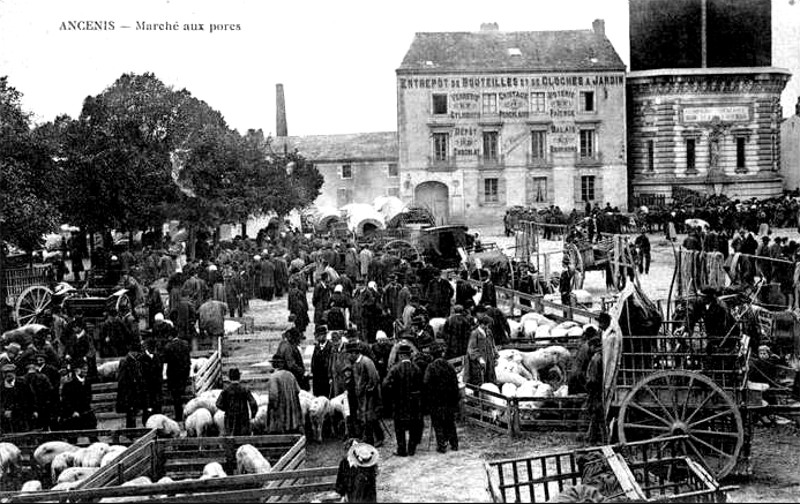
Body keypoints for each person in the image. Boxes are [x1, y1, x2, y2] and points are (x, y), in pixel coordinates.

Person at [382, 343, 423, 457]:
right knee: (413, 426)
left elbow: (385, 385)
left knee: (399, 428)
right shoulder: (416, 368)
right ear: (409, 356)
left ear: (400, 356)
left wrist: (392, 395)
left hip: (399, 403)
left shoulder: (395, 369)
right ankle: (411, 449)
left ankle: (402, 450)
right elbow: (421, 386)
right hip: (414, 404)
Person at [424, 342, 460, 453]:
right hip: (449, 400)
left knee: (438, 423)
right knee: (450, 422)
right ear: (441, 354)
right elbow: (455, 383)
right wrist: (455, 398)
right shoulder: (449, 366)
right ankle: (454, 444)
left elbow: (426, 383)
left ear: (432, 355)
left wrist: (428, 399)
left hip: (436, 401)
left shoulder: (431, 367)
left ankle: (442, 445)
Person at [347, 341, 384, 447]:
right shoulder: (355, 364)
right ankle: (372, 438)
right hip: (362, 395)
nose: (348, 356)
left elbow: (375, 378)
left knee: (370, 417)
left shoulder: (367, 362)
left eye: (349, 354)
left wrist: (369, 389)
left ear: (355, 353)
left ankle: (376, 438)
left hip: (370, 395)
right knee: (367, 417)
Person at [265, 355, 304, 434]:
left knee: (279, 428)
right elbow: (298, 390)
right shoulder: (290, 375)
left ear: (274, 365)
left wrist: (273, 408)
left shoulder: (274, 377)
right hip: (291, 408)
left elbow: (274, 395)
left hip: (280, 408)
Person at [216, 367, 258, 436]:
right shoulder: (244, 389)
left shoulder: (226, 390)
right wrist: (253, 415)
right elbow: (253, 403)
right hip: (243, 420)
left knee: (231, 441)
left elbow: (218, 404)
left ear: (229, 378)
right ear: (239, 377)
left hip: (230, 421)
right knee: (243, 440)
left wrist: (227, 409)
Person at [59, 358, 97, 432]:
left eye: (86, 369)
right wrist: (72, 411)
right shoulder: (69, 384)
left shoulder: (87, 382)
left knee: (92, 431)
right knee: (73, 434)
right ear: (77, 370)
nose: (85, 371)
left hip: (85, 412)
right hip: (72, 414)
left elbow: (88, 397)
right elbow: (66, 400)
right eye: (83, 369)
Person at [163, 330, 191, 422]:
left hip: (173, 375)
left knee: (176, 397)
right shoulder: (185, 344)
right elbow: (188, 359)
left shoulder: (168, 347)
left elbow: (166, 361)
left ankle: (179, 416)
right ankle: (186, 414)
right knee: (183, 394)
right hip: (184, 373)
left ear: (170, 336)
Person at [463, 314, 498, 386]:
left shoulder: (488, 332)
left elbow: (492, 344)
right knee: (479, 378)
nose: (487, 327)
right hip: (478, 361)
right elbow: (471, 348)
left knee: (490, 377)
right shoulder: (475, 333)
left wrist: (495, 355)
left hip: (489, 358)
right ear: (482, 324)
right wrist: (479, 358)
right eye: (486, 325)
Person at [116, 343, 144, 428]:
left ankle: (132, 430)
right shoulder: (125, 362)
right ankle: (130, 431)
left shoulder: (134, 361)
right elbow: (122, 379)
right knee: (130, 412)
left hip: (134, 391)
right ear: (133, 352)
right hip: (129, 392)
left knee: (133, 412)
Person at [275, 316, 308, 390]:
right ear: (294, 338)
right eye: (298, 339)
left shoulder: (284, 344)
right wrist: (302, 372)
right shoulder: (289, 347)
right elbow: (291, 364)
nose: (299, 341)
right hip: (291, 378)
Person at [0, 363, 32, 433]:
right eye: (5, 373)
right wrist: (4, 412)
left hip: (21, 416)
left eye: (10, 372)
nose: (7, 375)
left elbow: (30, 398)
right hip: (5, 420)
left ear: (14, 373)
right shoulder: (1, 386)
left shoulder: (23, 384)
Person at [140, 338, 163, 425]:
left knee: (157, 406)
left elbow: (160, 371)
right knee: (147, 407)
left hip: (157, 387)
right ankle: (146, 425)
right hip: (147, 388)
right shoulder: (142, 359)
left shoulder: (158, 357)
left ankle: (158, 424)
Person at [311, 325, 332, 398]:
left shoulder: (330, 346)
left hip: (326, 377)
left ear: (325, 335)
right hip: (317, 378)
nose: (319, 337)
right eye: (318, 335)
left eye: (321, 335)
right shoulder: (317, 347)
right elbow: (313, 361)